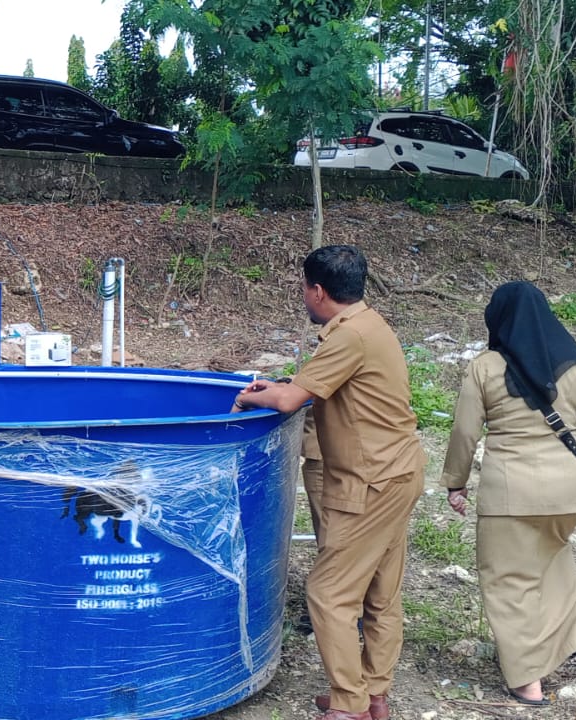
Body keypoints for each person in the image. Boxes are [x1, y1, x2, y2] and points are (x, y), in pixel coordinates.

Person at [440, 281, 576, 706]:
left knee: (508, 581)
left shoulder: (485, 367)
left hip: (509, 495)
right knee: (551, 558)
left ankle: (527, 679)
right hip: (566, 494)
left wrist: (455, 481)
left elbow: (465, 431)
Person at [236, 245, 424, 720]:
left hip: (369, 481)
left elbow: (291, 400)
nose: (304, 295)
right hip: (398, 470)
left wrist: (253, 397)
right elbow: (313, 389)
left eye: (304, 288)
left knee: (329, 592)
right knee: (381, 590)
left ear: (317, 291)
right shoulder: (370, 324)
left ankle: (349, 705)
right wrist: (280, 388)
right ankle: (373, 694)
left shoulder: (348, 337)